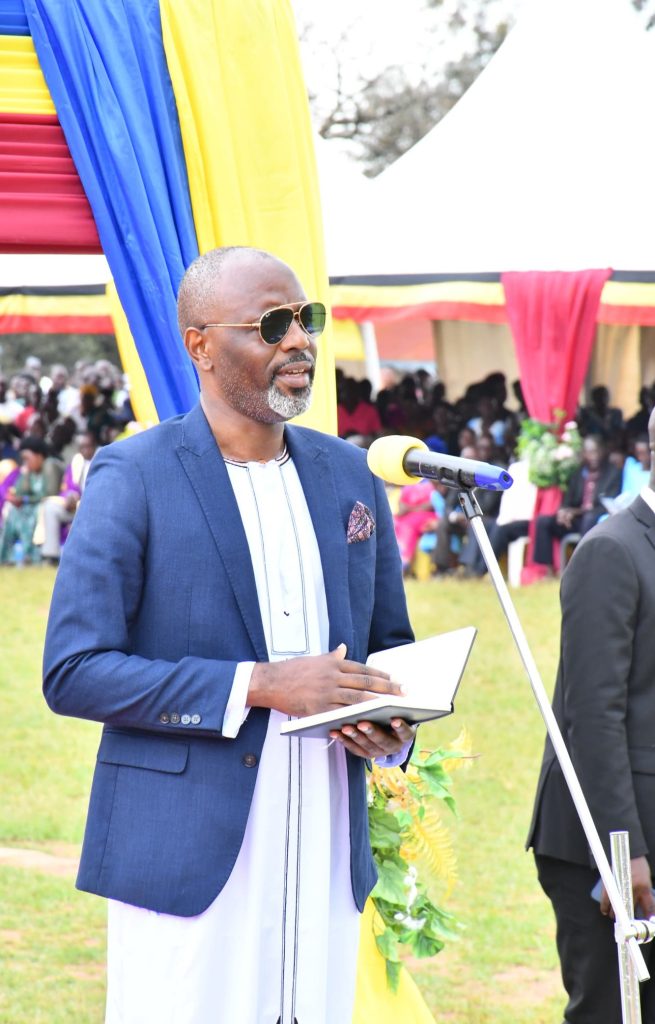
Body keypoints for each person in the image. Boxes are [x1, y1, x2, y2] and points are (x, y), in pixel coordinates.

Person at [42, 246, 415, 1024]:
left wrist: (393, 725)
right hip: (189, 866)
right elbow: (74, 669)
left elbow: (388, 649)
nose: (298, 342)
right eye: (271, 325)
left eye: (306, 320)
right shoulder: (133, 473)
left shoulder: (350, 477)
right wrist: (257, 685)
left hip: (323, 848)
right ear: (200, 344)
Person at [527, 405, 655, 1024]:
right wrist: (622, 854)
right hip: (603, 844)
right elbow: (592, 716)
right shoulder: (612, 551)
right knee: (612, 1012)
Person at [532, 434, 622, 569]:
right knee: (543, 521)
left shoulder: (612, 473)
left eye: (596, 451)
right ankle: (547, 569)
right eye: (590, 452)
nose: (594, 456)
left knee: (589, 518)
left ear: (603, 451)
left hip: (596, 519)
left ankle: (582, 566)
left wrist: (575, 512)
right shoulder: (578, 473)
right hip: (574, 520)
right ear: (584, 454)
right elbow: (567, 500)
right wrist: (563, 512)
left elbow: (607, 504)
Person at [37, 431, 98, 565]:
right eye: (82, 447)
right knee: (50, 507)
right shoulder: (76, 464)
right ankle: (51, 555)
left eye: (89, 446)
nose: (85, 450)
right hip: (74, 506)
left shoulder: (101, 463)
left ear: (94, 446)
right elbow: (68, 487)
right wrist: (70, 496)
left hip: (94, 507)